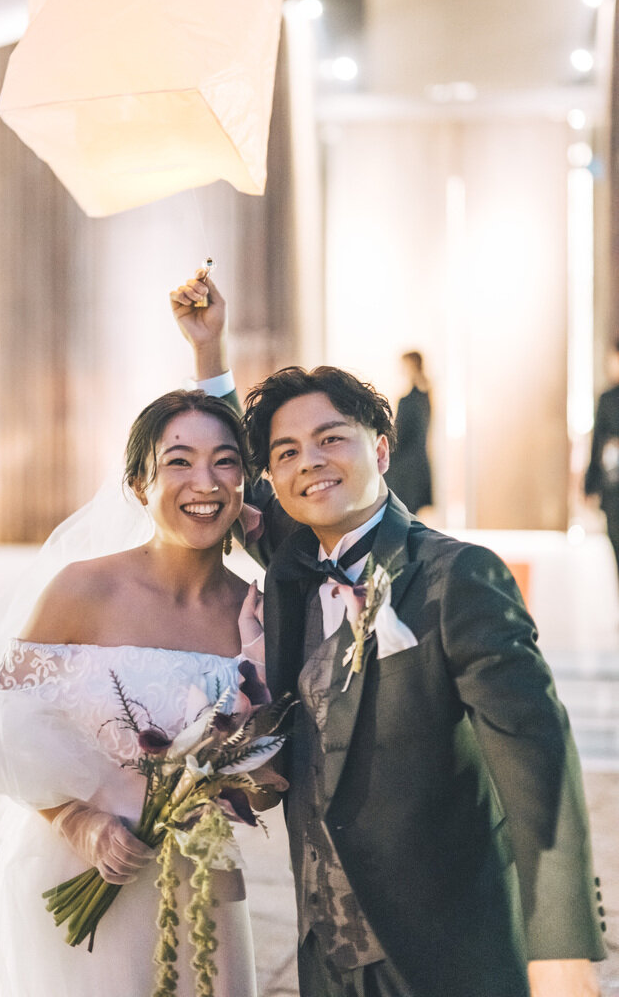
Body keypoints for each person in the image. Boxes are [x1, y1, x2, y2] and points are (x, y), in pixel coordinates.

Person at [171, 268, 605, 997]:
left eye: (330, 439)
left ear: (379, 450)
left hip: (450, 946)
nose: (309, 462)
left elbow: (538, 760)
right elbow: (239, 474)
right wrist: (208, 352)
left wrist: (559, 947)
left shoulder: (457, 575)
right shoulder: (293, 564)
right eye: (286, 452)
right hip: (327, 946)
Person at [0, 388, 268, 997]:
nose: (204, 482)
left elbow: (268, 776)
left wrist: (242, 772)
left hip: (198, 885)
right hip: (68, 873)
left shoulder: (255, 616)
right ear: (139, 484)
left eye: (225, 461)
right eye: (179, 461)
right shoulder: (83, 590)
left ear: (243, 482)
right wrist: (78, 821)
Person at [585, 339, 619, 578]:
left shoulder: (608, 400)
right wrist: (591, 483)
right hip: (613, 488)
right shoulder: (607, 399)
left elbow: (598, 445)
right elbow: (598, 445)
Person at [387, 351, 432, 515]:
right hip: (416, 464)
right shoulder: (425, 396)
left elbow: (400, 436)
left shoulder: (410, 400)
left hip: (405, 468)